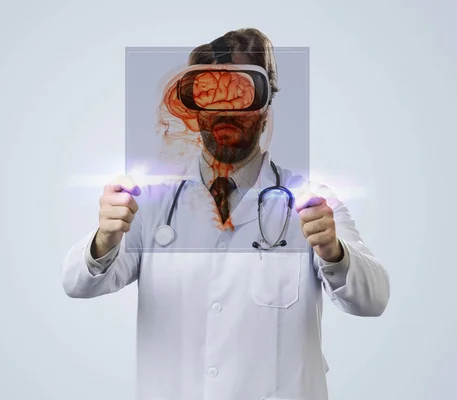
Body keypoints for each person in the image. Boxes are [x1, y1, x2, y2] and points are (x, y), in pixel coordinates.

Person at [62, 28, 390, 400]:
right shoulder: (152, 204)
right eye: (209, 94)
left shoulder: (311, 204)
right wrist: (103, 239)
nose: (224, 111)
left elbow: (373, 299)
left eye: (240, 94)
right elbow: (78, 284)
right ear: (194, 107)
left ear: (266, 104)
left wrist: (334, 252)